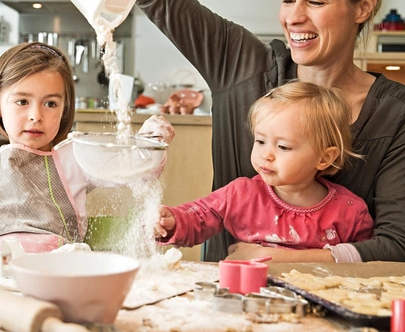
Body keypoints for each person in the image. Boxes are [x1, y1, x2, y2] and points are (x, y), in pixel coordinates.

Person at [78, 0, 405, 263]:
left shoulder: (398, 112)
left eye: (315, 1)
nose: (294, 16)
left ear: (363, 7)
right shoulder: (241, 63)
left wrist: (272, 258)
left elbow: (402, 246)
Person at [0, 42, 174, 253]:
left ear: (64, 109)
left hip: (58, 279)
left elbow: (138, 170)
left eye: (50, 103)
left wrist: (152, 142)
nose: (36, 115)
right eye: (22, 102)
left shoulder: (76, 158)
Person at [154, 81, 373, 257]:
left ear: (324, 158)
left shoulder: (350, 213)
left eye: (283, 146)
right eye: (260, 141)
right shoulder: (242, 194)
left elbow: (365, 266)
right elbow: (199, 216)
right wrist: (172, 221)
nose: (266, 155)